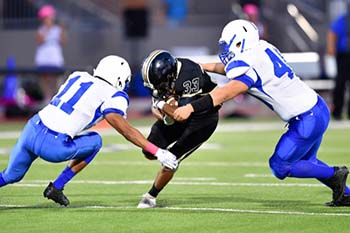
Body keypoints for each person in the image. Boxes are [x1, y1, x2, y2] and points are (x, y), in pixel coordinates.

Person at [173, 19, 350, 206]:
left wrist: (190, 108)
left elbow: (224, 93)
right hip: (316, 108)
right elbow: (232, 68)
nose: (226, 50)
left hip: (306, 119)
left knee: (280, 166)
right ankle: (345, 194)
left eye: (229, 45)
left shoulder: (248, 65)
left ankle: (335, 173)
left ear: (241, 42)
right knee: (306, 161)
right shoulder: (262, 48)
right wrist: (201, 65)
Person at [0, 55, 178, 206]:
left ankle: (54, 188)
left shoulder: (77, 76)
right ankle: (57, 186)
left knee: (11, 175)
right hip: (53, 145)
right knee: (95, 141)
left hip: (32, 128)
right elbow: (121, 126)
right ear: (119, 78)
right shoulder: (114, 94)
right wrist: (156, 150)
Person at [137, 50, 220, 208]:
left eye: (161, 83)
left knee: (171, 160)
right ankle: (166, 157)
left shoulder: (190, 74)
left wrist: (161, 105)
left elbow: (180, 114)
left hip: (203, 118)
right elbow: (159, 109)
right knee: (149, 151)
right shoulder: (163, 77)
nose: (158, 87)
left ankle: (151, 196)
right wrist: (159, 109)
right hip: (179, 111)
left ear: (170, 75)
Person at [35, 4, 67, 104]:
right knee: (45, 79)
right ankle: (46, 98)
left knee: (55, 79)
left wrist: (62, 30)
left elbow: (63, 41)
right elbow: (40, 40)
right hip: (43, 58)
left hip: (55, 58)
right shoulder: (40, 30)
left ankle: (55, 98)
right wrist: (47, 30)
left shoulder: (58, 29)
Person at [326, 11, 350, 120]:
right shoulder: (344, 20)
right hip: (344, 55)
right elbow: (333, 32)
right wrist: (331, 47)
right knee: (340, 82)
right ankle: (337, 112)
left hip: (344, 55)